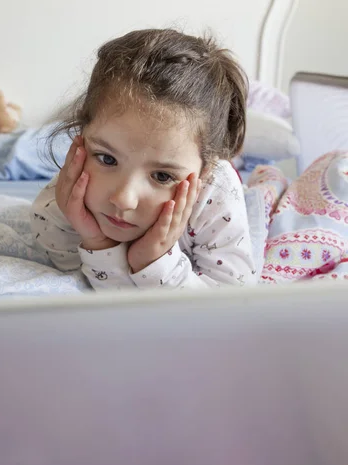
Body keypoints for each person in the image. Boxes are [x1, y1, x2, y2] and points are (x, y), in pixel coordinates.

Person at [31, 28, 257, 291]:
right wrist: (97, 242)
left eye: (162, 176)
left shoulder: (214, 195)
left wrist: (154, 262)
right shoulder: (62, 204)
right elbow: (92, 293)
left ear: (205, 171)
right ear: (82, 135)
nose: (123, 199)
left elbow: (228, 309)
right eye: (107, 159)